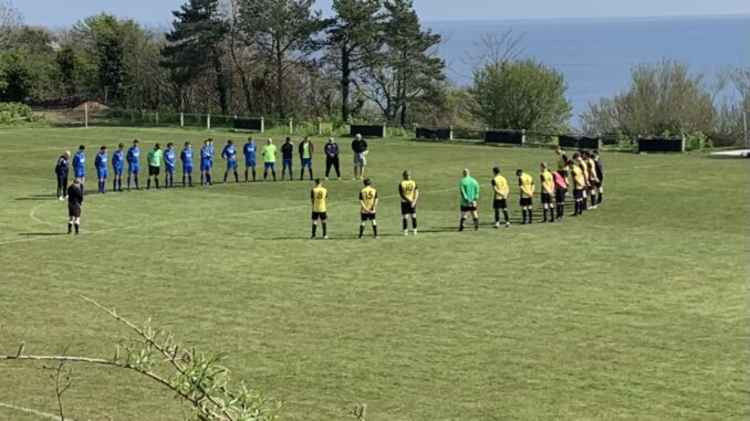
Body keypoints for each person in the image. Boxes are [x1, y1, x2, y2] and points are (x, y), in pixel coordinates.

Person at [398, 170, 419, 235]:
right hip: (411, 202)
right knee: (413, 216)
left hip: (405, 202)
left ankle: (406, 231)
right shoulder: (413, 182)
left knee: (406, 217)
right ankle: (414, 230)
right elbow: (417, 192)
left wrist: (411, 201)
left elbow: (401, 194)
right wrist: (414, 201)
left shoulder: (401, 183)